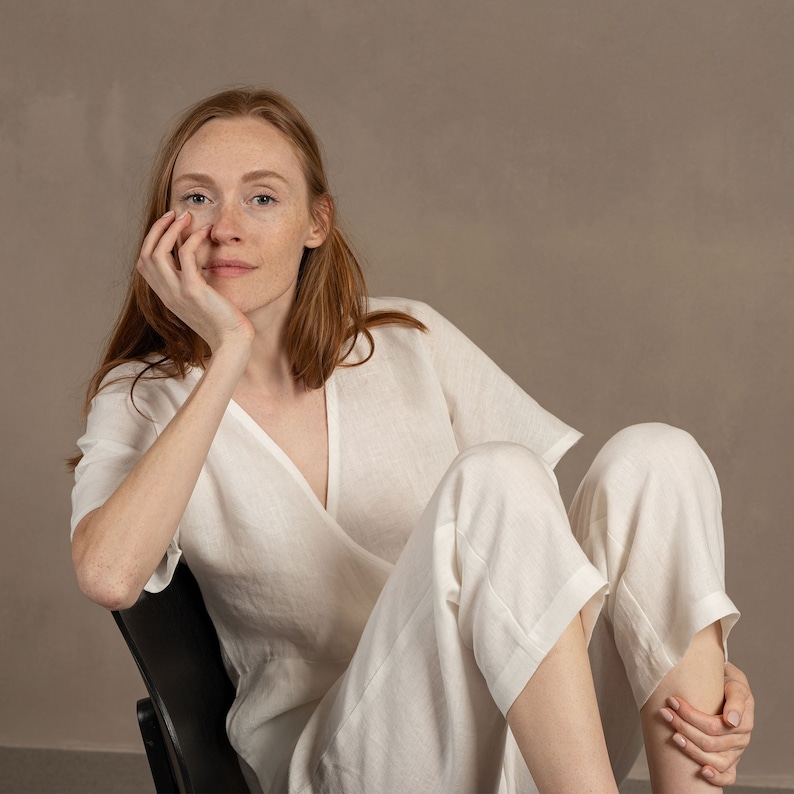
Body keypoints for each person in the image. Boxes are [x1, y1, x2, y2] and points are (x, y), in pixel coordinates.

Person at [70, 87, 753, 793]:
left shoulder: (406, 336)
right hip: (343, 762)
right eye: (198, 198)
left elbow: (546, 565)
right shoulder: (144, 395)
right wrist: (228, 350)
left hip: (527, 733)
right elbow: (109, 576)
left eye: (263, 198)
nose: (225, 227)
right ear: (166, 228)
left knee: (656, 458)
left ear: (316, 222)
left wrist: (682, 653)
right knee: (494, 479)